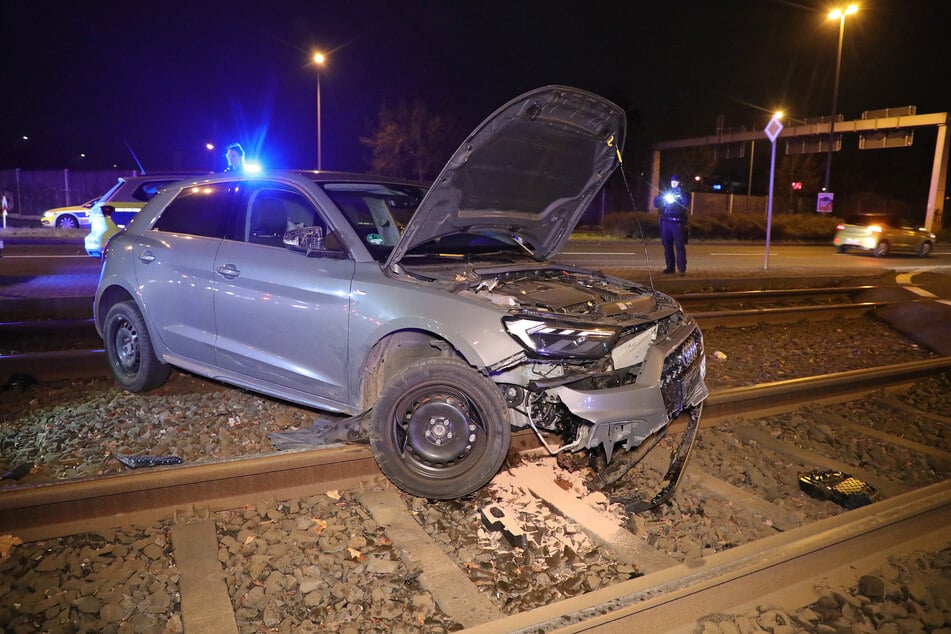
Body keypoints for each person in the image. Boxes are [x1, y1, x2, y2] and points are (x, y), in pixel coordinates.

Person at [654, 175, 689, 275]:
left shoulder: (683, 193)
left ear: (680, 182)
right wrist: (659, 199)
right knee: (667, 246)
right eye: (672, 181)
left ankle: (681, 268)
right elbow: (657, 204)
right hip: (666, 222)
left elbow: (686, 202)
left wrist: (680, 192)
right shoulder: (667, 192)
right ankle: (670, 267)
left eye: (676, 182)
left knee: (679, 245)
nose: (673, 183)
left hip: (677, 223)